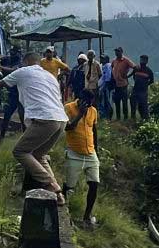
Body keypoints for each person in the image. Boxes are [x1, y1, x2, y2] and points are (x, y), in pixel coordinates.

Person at [0, 52, 69, 205]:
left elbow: (0, 83)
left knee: (20, 151)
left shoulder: (23, 71)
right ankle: (58, 194)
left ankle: (51, 184)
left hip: (45, 119)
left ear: (26, 62)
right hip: (61, 120)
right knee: (38, 155)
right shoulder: (50, 77)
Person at [63, 89, 100, 228]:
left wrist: (96, 149)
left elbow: (94, 130)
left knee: (94, 184)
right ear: (80, 98)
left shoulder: (93, 111)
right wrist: (80, 114)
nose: (89, 105)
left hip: (91, 153)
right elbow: (68, 127)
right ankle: (63, 212)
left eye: (91, 103)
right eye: (86, 102)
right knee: (69, 186)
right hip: (74, 153)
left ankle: (87, 216)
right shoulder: (69, 108)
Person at [0, 46, 26, 146]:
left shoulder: (20, 63)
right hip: (11, 94)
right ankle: (0, 140)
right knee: (6, 117)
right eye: (11, 51)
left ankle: (25, 143)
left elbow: (13, 71)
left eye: (14, 52)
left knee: (23, 119)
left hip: (20, 95)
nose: (12, 53)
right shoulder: (7, 59)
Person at [111, 47, 135, 120]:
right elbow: (111, 67)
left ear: (121, 52)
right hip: (116, 85)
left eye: (118, 51)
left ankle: (125, 118)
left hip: (123, 85)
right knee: (117, 102)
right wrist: (113, 77)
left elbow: (135, 67)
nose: (116, 53)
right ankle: (118, 118)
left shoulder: (126, 60)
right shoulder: (114, 61)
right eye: (116, 51)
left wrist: (128, 75)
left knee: (124, 102)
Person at [129, 55, 154, 120]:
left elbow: (151, 81)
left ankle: (145, 119)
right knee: (133, 104)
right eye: (141, 60)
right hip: (135, 90)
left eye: (143, 60)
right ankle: (133, 119)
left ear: (146, 61)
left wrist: (145, 85)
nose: (142, 61)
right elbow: (132, 75)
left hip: (143, 92)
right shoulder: (136, 68)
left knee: (143, 106)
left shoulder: (149, 71)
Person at [98, 55, 113, 119]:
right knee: (102, 101)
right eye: (101, 58)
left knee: (106, 101)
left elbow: (108, 78)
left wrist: (103, 88)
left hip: (105, 87)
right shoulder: (102, 66)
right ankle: (104, 115)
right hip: (101, 87)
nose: (101, 60)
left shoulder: (108, 66)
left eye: (103, 59)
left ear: (106, 59)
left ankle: (107, 116)